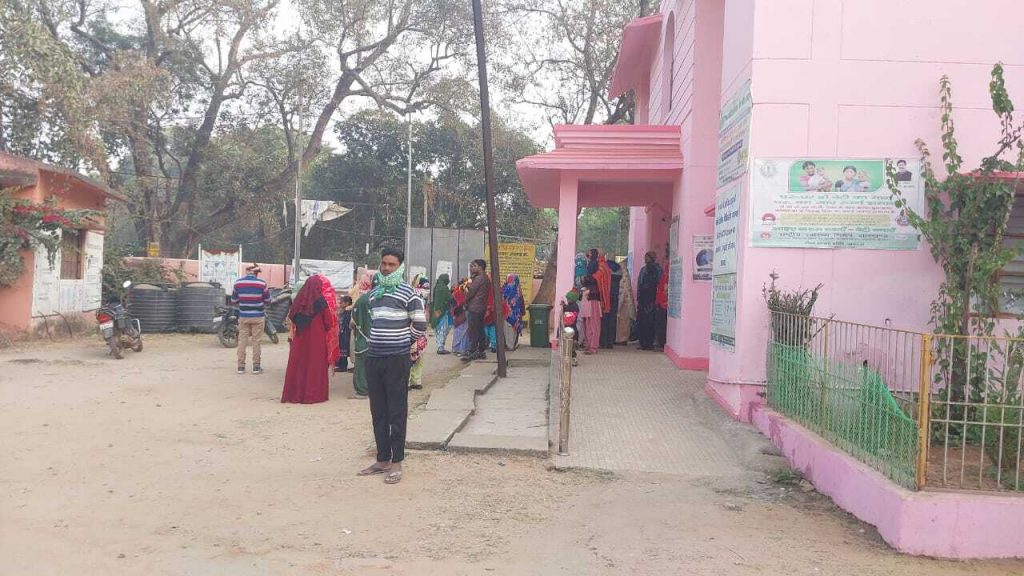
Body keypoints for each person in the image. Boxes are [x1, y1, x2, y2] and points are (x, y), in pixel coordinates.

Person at [358, 247, 426, 485]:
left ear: (400, 267)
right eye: (384, 264)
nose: (386, 268)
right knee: (378, 411)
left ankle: (396, 462)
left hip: (397, 359)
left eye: (392, 265)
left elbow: (420, 325)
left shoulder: (409, 293)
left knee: (397, 411)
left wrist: (402, 343)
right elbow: (372, 321)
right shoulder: (374, 294)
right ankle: (382, 459)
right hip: (374, 357)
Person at [281, 275, 340, 404]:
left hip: (300, 339)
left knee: (299, 365)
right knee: (315, 365)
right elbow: (328, 322)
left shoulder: (299, 300)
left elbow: (292, 316)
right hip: (317, 340)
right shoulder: (321, 302)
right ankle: (313, 395)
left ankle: (296, 394)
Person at [231, 264, 272, 375]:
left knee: (242, 341)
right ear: (256, 273)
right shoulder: (262, 284)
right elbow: (268, 300)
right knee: (256, 342)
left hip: (243, 316)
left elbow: (233, 301)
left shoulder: (238, 283)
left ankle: (240, 367)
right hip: (258, 316)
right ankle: (256, 367)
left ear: (247, 272)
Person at [350, 272, 375, 398]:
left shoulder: (363, 299)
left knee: (362, 365)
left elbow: (353, 321)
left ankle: (363, 390)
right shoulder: (388, 298)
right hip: (383, 341)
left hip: (363, 339)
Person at [463, 259, 492, 362]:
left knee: (473, 330)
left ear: (480, 267)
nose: (471, 268)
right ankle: (481, 350)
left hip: (474, 307)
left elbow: (471, 292)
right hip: (481, 307)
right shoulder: (486, 278)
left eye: (473, 266)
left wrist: (464, 301)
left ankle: (472, 351)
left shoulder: (479, 278)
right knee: (480, 329)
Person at [408, 274, 431, 390]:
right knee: (411, 355)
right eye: (424, 287)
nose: (426, 290)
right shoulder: (413, 296)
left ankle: (416, 380)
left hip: (421, 330)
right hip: (413, 329)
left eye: (428, 288)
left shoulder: (422, 297)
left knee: (418, 355)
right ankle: (409, 380)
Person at [636, 252, 661, 350]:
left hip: (652, 299)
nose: (645, 259)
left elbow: (659, 283)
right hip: (643, 299)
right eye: (645, 257)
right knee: (642, 321)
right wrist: (639, 297)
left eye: (647, 257)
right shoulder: (643, 269)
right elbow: (639, 283)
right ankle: (643, 343)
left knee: (650, 321)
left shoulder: (657, 269)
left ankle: (649, 343)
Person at [431, 273, 454, 354]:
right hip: (443, 311)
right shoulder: (444, 288)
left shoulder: (436, 287)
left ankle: (440, 346)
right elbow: (450, 298)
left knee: (438, 328)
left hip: (436, 311)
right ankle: (440, 347)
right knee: (443, 329)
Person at [502, 274, 526, 350]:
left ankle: (509, 345)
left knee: (508, 329)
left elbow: (503, 299)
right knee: (514, 329)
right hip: (516, 314)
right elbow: (521, 302)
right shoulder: (518, 289)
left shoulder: (506, 288)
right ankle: (512, 344)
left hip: (507, 313)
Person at [579, 274, 601, 354]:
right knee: (587, 326)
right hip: (587, 308)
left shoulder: (593, 290)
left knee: (593, 326)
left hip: (592, 306)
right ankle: (589, 345)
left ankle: (593, 347)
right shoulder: (584, 290)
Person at [615, 263, 636, 345]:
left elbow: (623, 292)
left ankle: (621, 339)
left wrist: (619, 304)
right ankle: (622, 339)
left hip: (623, 303)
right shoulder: (627, 277)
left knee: (622, 322)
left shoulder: (624, 278)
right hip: (627, 303)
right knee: (624, 322)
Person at [450, 278, 470, 356]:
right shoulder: (460, 293)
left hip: (459, 315)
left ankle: (458, 349)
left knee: (461, 332)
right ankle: (461, 349)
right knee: (463, 332)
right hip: (461, 315)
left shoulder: (456, 293)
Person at [334, 295, 353, 373]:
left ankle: (343, 366)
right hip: (343, 332)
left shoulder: (348, 312)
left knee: (343, 348)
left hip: (345, 332)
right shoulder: (345, 311)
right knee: (342, 348)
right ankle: (340, 364)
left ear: (347, 303)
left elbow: (345, 323)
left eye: (341, 303)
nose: (340, 304)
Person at [655, 262, 669, 350]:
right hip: (662, 303)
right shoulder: (664, 275)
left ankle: (662, 343)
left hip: (663, 304)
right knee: (661, 324)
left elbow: (665, 290)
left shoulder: (666, 276)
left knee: (662, 325)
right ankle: (661, 342)